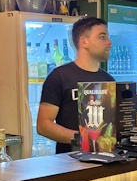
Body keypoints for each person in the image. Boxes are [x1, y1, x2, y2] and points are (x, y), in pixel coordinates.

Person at [38, 16, 113, 153]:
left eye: (108, 37)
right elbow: (43, 126)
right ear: (84, 42)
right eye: (102, 37)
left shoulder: (109, 81)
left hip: (106, 160)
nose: (109, 42)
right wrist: (83, 138)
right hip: (70, 162)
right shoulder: (59, 77)